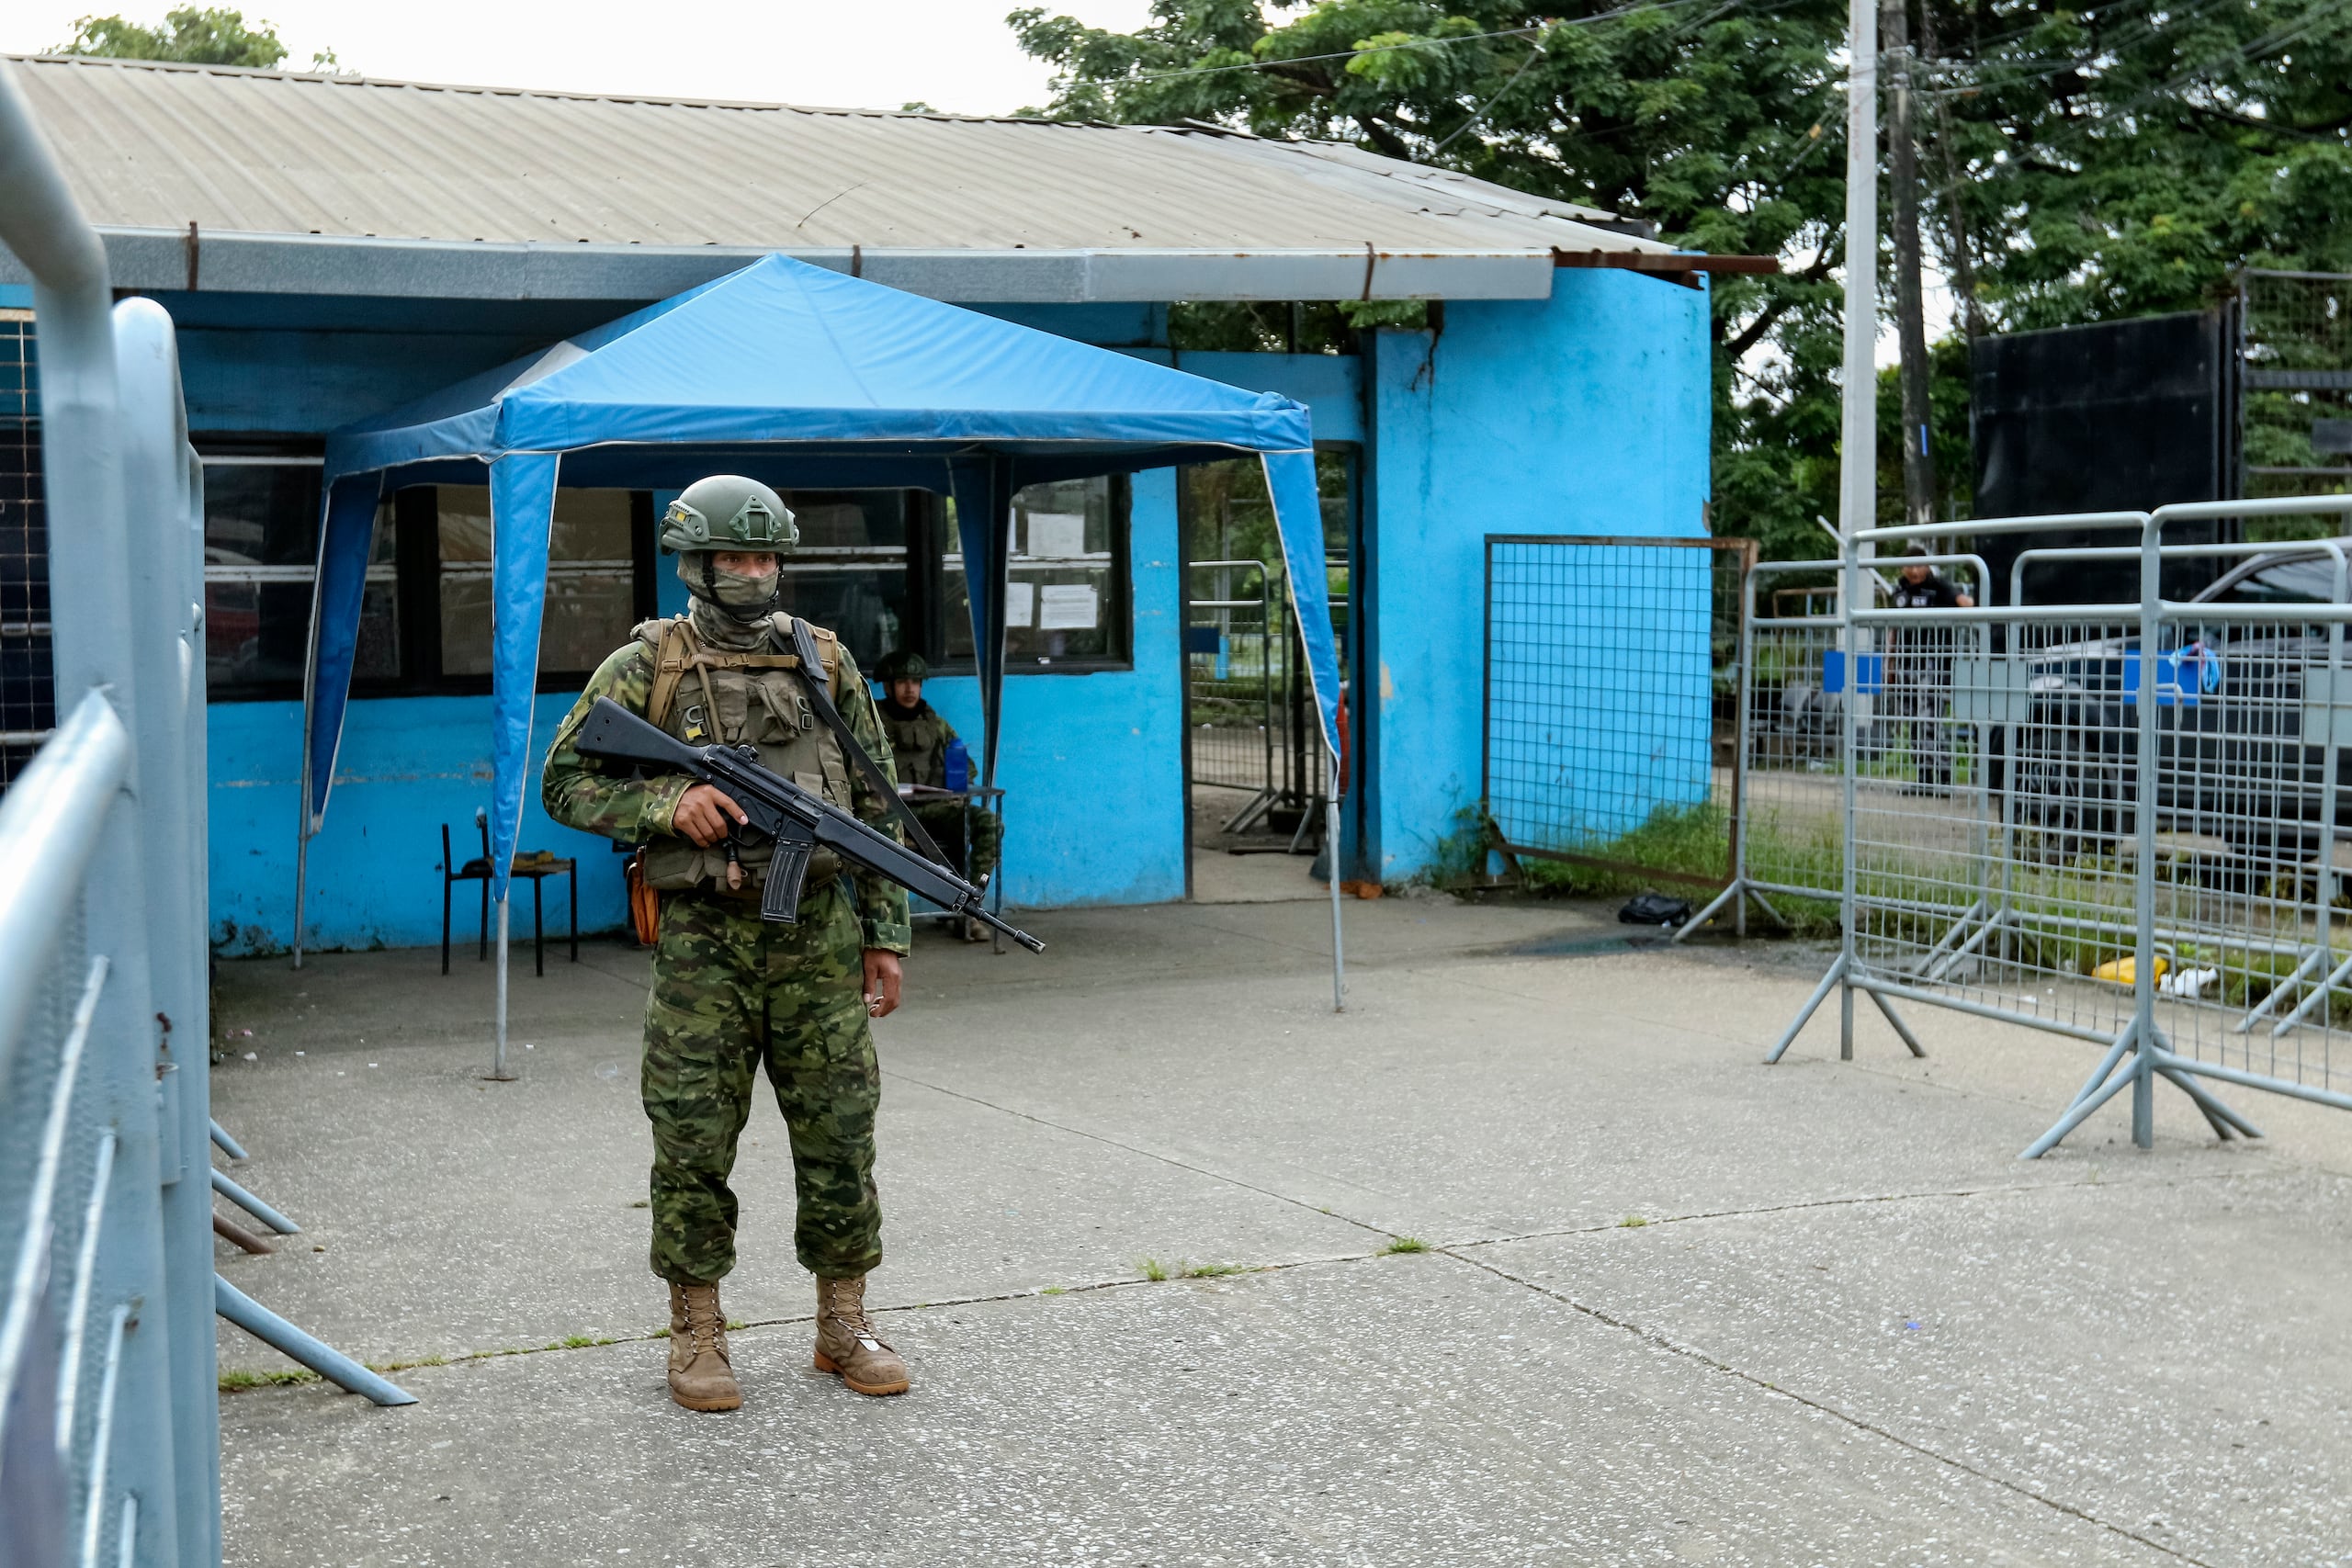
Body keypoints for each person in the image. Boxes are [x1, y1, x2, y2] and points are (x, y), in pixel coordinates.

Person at [541, 474, 914, 1414]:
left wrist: (886, 936)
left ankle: (842, 1323)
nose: (754, 573)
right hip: (705, 946)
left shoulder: (825, 661)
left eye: (766, 556)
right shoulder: (646, 666)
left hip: (820, 940)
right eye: (736, 557)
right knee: (693, 1138)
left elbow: (875, 806)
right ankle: (697, 1331)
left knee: (839, 1136)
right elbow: (563, 786)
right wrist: (668, 803)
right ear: (697, 564)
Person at [873, 649, 1003, 942]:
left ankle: (968, 909)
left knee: (989, 824)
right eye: (903, 681)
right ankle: (882, 927)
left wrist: (954, 789)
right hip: (891, 814)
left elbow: (965, 767)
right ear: (888, 686)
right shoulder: (872, 723)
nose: (910, 688)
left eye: (915, 682)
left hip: (935, 811)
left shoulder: (935, 724)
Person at [1885, 541, 1975, 794]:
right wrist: (1889, 664)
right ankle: (1923, 776)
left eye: (1919, 565)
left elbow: (1965, 603)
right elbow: (1893, 631)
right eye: (1908, 566)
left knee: (1930, 720)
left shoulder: (1939, 587)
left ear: (1926, 566)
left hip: (1933, 664)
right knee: (1914, 721)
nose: (1913, 571)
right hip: (1906, 664)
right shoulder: (1899, 592)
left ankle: (1944, 775)